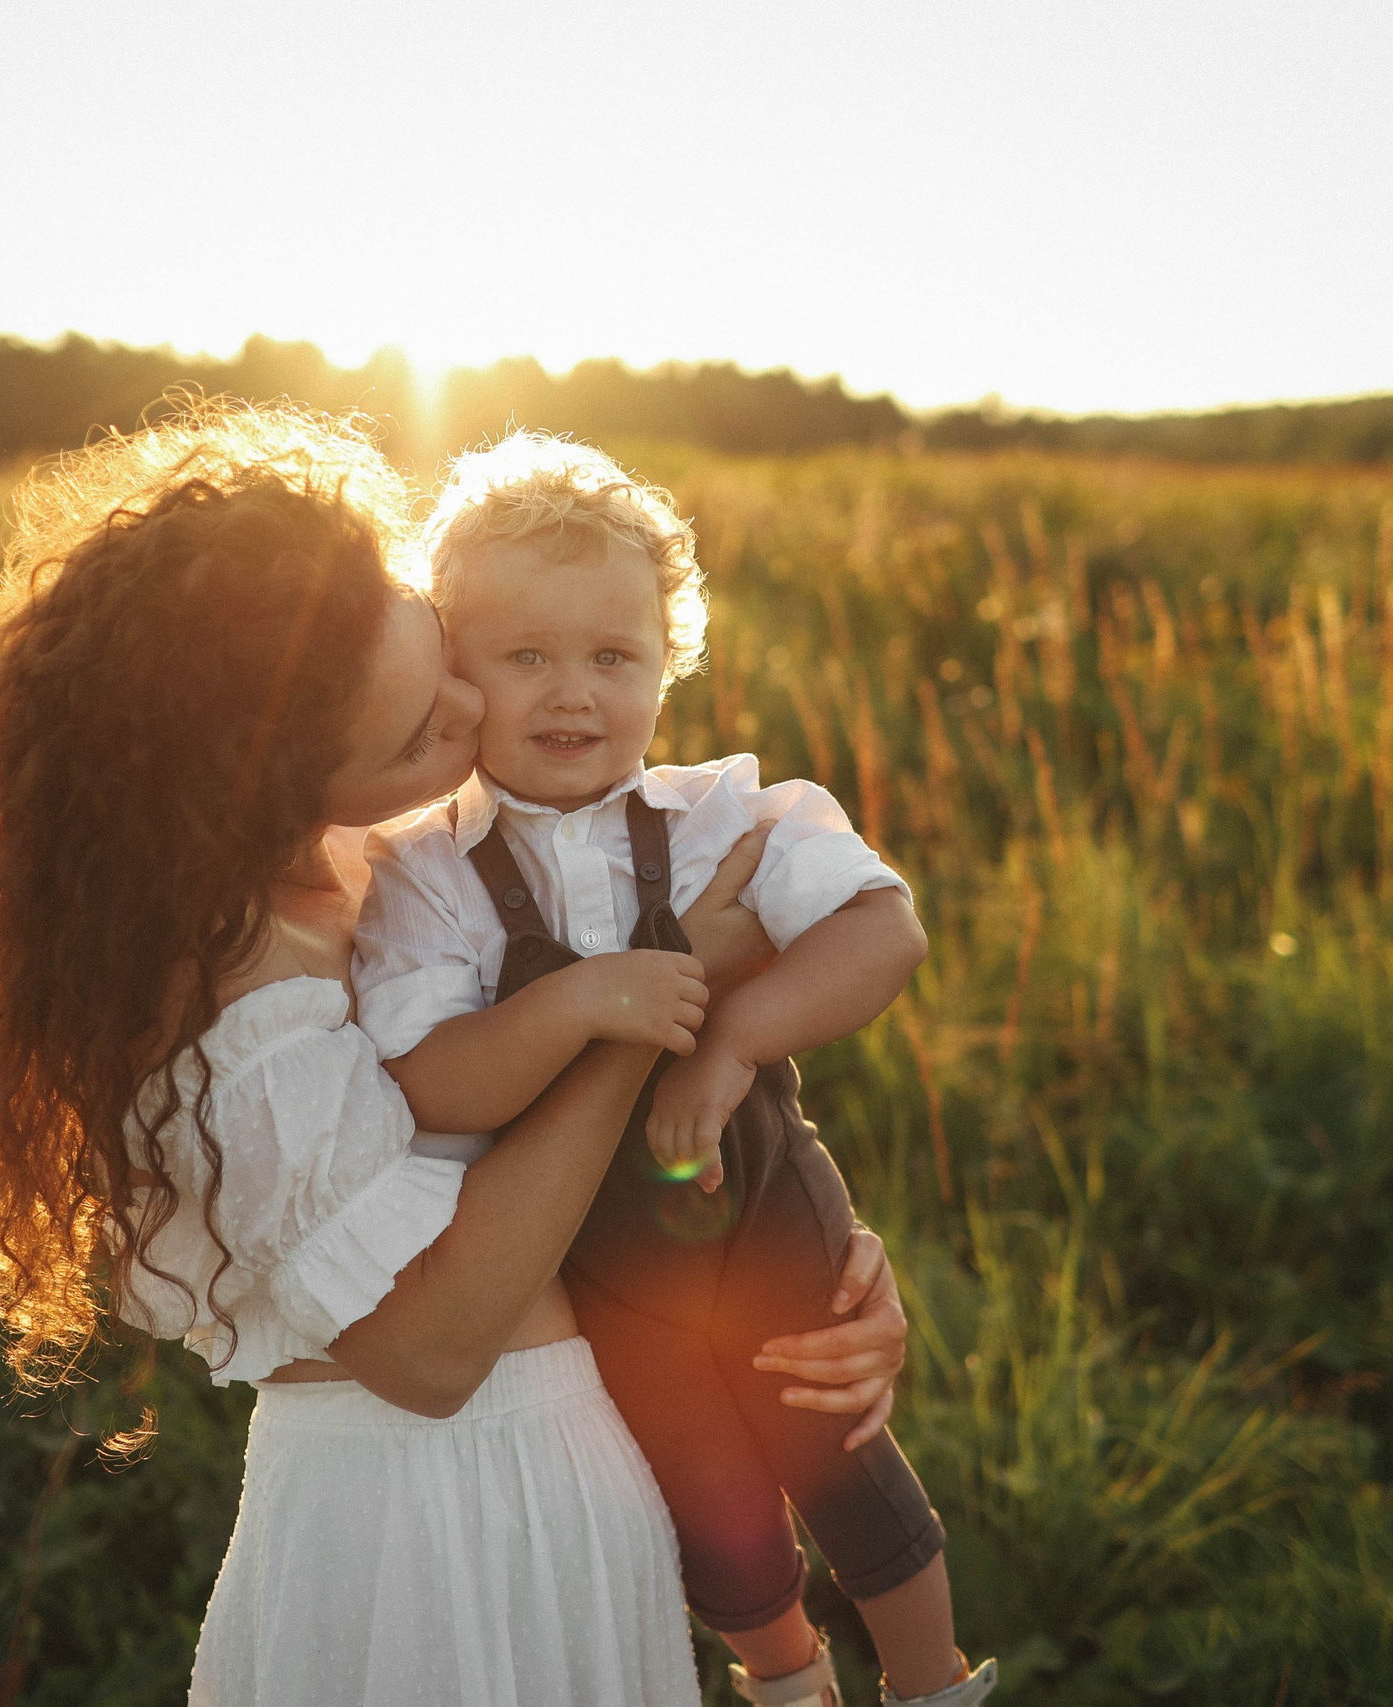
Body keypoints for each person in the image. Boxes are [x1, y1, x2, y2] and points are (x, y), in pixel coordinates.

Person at [0, 402, 911, 1706]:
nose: (476, 714)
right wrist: (652, 996)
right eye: (419, 728)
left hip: (577, 1457)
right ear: (263, 777)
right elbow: (429, 1347)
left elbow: (639, 1143)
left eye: (446, 660)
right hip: (427, 1519)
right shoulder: (226, 1004)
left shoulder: (392, 868)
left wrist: (810, 1273)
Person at [353, 433, 995, 1707]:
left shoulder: (727, 816)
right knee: (700, 1480)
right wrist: (588, 1004)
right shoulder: (427, 876)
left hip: (755, 1198)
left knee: (833, 1436)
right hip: (606, 1260)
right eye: (524, 656)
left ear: (667, 661)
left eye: (612, 657)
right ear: (455, 676)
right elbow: (435, 1080)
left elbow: (884, 931)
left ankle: (929, 1682)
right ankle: (785, 1678)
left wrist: (738, 1038)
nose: (571, 693)